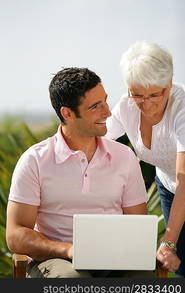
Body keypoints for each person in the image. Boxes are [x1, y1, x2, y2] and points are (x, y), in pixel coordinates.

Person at [6, 67, 151, 278]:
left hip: (115, 259)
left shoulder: (125, 157)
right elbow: (15, 235)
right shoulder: (34, 161)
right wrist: (68, 249)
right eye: (95, 106)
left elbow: (138, 227)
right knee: (73, 281)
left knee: (143, 281)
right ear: (67, 113)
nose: (108, 112)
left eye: (105, 101)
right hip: (55, 261)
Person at [105, 40, 185, 277]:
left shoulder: (182, 110)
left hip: (182, 182)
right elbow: (96, 142)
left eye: (155, 94)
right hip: (169, 186)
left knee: (171, 250)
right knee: (180, 267)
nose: (146, 104)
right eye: (137, 94)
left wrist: (168, 242)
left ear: (169, 83)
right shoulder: (126, 107)